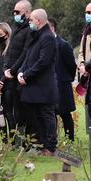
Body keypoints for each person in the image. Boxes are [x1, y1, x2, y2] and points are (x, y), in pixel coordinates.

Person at [17, 9, 57, 155]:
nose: (29, 23)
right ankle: (42, 144)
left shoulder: (47, 37)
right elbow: (28, 57)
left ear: (38, 21)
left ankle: (50, 146)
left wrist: (26, 74)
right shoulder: (36, 36)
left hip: (43, 85)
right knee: (36, 117)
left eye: (31, 20)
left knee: (46, 116)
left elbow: (43, 62)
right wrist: (21, 71)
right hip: (33, 85)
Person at [3, 0, 34, 135]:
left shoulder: (29, 30)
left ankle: (28, 141)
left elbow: (25, 53)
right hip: (12, 76)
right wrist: (6, 67)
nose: (15, 14)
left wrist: (13, 70)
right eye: (14, 12)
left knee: (25, 109)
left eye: (18, 12)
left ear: (27, 13)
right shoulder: (16, 28)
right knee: (16, 110)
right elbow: (9, 51)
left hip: (22, 75)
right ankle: (19, 140)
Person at [50, 18, 76, 141]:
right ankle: (53, 140)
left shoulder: (63, 44)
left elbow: (71, 65)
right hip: (49, 84)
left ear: (52, 28)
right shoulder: (44, 44)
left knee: (65, 114)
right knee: (51, 114)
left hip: (62, 83)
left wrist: (67, 78)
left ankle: (69, 139)